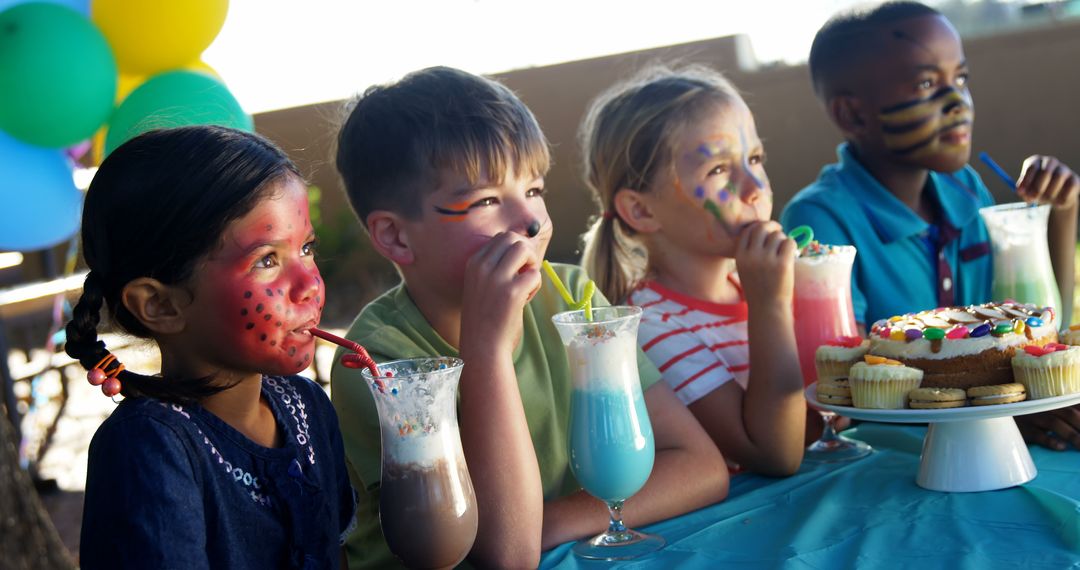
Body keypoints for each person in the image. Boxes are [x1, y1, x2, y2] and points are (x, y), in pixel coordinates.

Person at [331, 66, 728, 569]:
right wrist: (488, 349)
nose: (531, 221)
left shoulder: (573, 301)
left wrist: (550, 522)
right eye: (488, 200)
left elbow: (701, 467)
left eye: (534, 189)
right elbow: (505, 553)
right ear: (395, 237)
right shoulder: (382, 360)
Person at [781, 1, 1080, 450]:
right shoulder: (822, 218)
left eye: (961, 79)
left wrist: (1061, 213)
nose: (958, 102)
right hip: (892, 455)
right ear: (853, 115)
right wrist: (996, 416)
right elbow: (853, 387)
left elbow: (1040, 325)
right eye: (926, 83)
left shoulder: (964, 189)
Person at [67, 125, 356, 569]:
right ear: (160, 305)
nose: (309, 285)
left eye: (307, 249)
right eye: (267, 260)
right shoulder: (149, 449)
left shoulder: (308, 407)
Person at [579, 65, 810, 476]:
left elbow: (811, 424)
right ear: (642, 210)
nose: (755, 186)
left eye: (754, 158)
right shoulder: (649, 327)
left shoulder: (752, 287)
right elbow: (776, 453)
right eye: (719, 170)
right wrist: (771, 305)